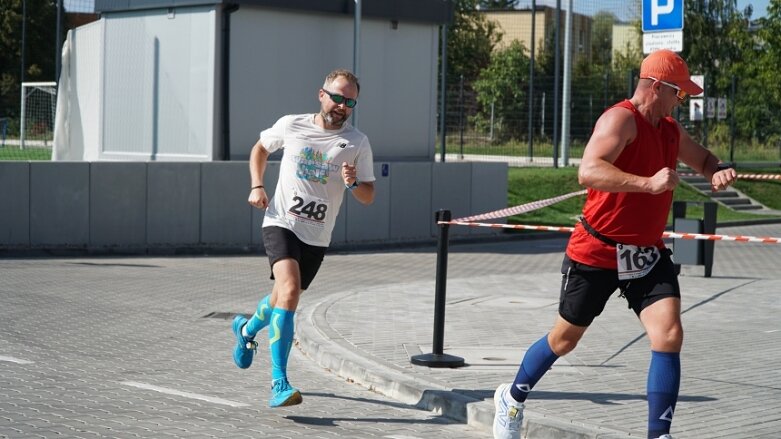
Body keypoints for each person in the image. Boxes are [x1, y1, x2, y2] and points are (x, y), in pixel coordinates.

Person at [492, 49, 737, 439]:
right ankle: (512, 397)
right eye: (679, 93)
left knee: (669, 333)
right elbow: (588, 170)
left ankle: (660, 435)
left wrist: (718, 171)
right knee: (565, 339)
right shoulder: (621, 119)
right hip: (598, 249)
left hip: (645, 253)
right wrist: (648, 184)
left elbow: (705, 159)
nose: (682, 100)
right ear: (657, 87)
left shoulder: (670, 130)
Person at [232, 69, 375, 407]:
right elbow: (260, 149)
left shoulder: (357, 142)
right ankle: (279, 382)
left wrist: (354, 183)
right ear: (321, 94)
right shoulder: (292, 124)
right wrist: (256, 185)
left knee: (281, 296)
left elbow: (369, 195)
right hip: (281, 221)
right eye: (337, 97)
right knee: (291, 290)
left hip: (317, 236)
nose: (342, 105)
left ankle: (247, 330)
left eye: (350, 101)